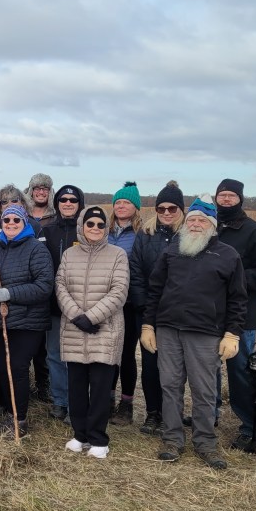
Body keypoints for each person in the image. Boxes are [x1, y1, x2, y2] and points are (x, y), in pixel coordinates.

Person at [142, 197, 247, 470]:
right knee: (170, 386)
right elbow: (155, 290)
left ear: (212, 225)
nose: (196, 224)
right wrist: (148, 325)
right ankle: (172, 439)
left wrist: (232, 334)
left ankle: (205, 442)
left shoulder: (227, 255)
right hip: (168, 329)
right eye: (192, 220)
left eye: (202, 220)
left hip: (205, 333)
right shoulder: (172, 251)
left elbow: (237, 299)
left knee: (203, 390)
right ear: (185, 223)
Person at [56, 206, 130, 459]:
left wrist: (91, 317)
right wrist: (77, 316)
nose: (95, 228)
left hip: (104, 330)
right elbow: (60, 286)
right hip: (74, 328)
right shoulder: (69, 254)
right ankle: (80, 435)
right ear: (82, 226)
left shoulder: (118, 255)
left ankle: (98, 438)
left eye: (100, 224)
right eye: (90, 224)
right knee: (76, 386)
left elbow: (119, 291)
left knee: (100, 387)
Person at [214, 178, 256, 453]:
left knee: (241, 370)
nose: (226, 199)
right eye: (222, 195)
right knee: (207, 367)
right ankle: (209, 414)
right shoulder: (209, 227)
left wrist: (237, 279)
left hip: (242, 316)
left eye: (231, 195)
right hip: (209, 313)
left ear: (240, 199)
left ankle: (249, 427)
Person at [0, 205, 55, 438]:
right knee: (2, 367)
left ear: (25, 223)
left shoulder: (36, 249)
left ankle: (19, 420)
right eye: (6, 220)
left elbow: (44, 286)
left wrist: (11, 293)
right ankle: (9, 411)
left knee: (17, 367)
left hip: (27, 322)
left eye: (16, 220)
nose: (11, 223)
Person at [128, 180, 185, 435]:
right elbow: (135, 270)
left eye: (172, 208)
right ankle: (152, 413)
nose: (166, 213)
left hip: (178, 313)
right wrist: (143, 304)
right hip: (148, 311)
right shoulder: (146, 234)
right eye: (161, 208)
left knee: (173, 367)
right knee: (150, 364)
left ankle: (171, 413)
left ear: (181, 210)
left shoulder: (189, 235)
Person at [40, 185, 85, 421]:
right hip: (54, 305)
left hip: (80, 305)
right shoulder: (47, 231)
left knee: (77, 357)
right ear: (57, 203)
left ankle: (77, 401)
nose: (68, 203)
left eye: (73, 200)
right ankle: (60, 401)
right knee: (55, 354)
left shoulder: (87, 230)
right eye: (63, 199)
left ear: (80, 204)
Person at [106, 180, 142, 425]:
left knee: (127, 353)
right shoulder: (104, 231)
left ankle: (126, 404)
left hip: (129, 303)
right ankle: (106, 398)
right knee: (108, 353)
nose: (121, 206)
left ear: (135, 207)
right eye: (117, 202)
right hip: (106, 302)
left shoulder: (142, 234)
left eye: (126, 202)